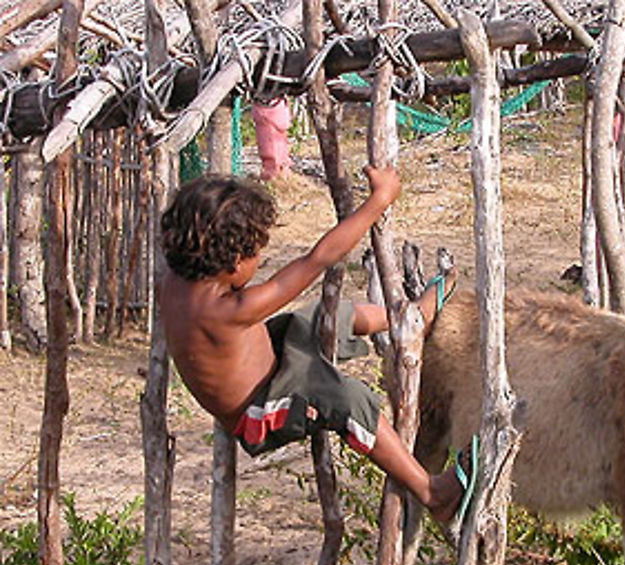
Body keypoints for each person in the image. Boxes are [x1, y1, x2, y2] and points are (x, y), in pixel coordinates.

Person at [159, 165, 469, 524]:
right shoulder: (226, 310)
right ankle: (432, 493)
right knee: (348, 398)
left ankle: (411, 318)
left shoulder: (173, 280)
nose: (260, 261)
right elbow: (317, 259)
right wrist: (378, 201)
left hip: (271, 366)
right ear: (232, 261)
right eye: (256, 253)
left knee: (327, 315)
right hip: (259, 413)